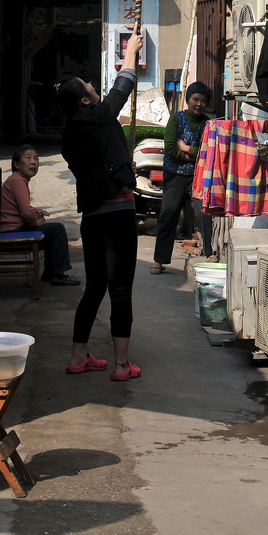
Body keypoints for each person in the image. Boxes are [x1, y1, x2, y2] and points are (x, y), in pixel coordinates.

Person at [57, 22, 144, 382]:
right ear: (84, 99)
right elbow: (120, 91)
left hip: (92, 218)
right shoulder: (97, 117)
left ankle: (79, 356)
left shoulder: (71, 134)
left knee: (95, 287)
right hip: (119, 212)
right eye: (88, 86)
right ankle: (122, 366)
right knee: (120, 289)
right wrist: (130, 53)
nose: (94, 86)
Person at [151, 81, 212, 274]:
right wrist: (194, 155)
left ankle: (210, 252)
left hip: (197, 176)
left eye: (203, 101)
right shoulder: (176, 119)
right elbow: (169, 149)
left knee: (204, 213)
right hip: (175, 175)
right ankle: (159, 261)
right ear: (187, 100)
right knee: (169, 215)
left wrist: (185, 148)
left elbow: (208, 152)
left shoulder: (208, 124)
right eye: (195, 99)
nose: (199, 104)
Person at [1, 145, 80, 286]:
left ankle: (50, 273)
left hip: (9, 229)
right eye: (28, 158)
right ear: (17, 164)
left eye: (36, 158)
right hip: (12, 231)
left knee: (52, 230)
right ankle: (57, 274)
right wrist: (35, 223)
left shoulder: (16, 179)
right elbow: (25, 212)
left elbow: (19, 206)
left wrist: (35, 209)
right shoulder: (18, 181)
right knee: (57, 230)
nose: (33, 162)